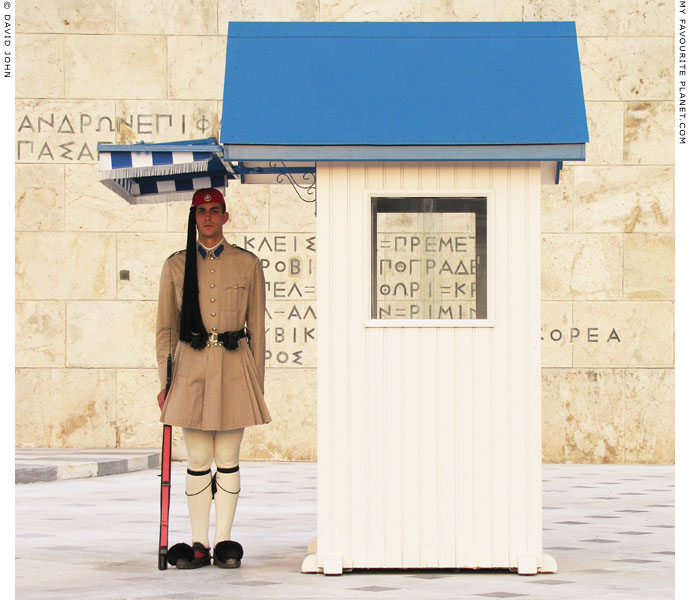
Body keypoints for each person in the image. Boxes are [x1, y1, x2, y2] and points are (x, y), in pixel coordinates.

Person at [155, 187, 271, 569]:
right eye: (201, 212)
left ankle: (224, 541)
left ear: (226, 216)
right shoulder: (176, 265)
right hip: (190, 367)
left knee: (228, 457)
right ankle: (199, 541)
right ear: (194, 218)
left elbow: (257, 327)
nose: (207, 217)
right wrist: (165, 383)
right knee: (198, 457)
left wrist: (256, 382)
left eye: (215, 210)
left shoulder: (247, 263)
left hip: (234, 366)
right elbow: (165, 330)